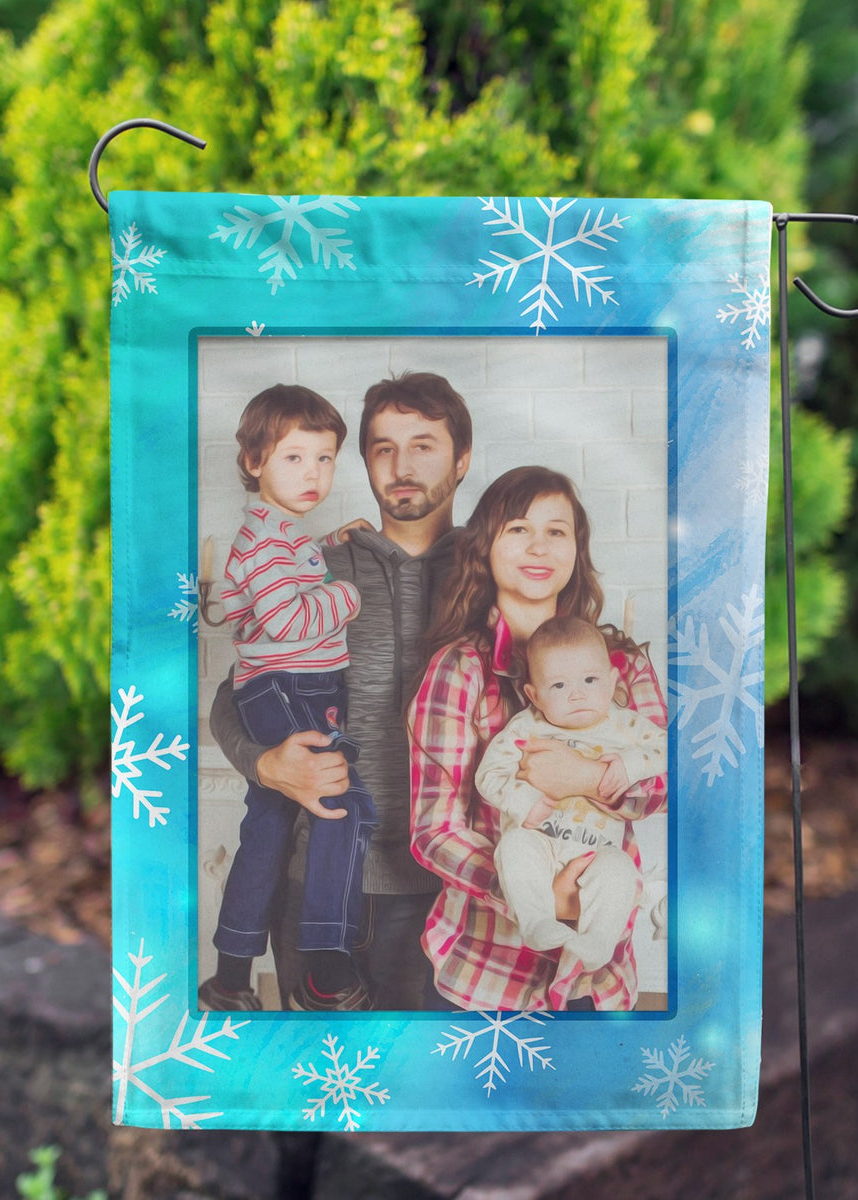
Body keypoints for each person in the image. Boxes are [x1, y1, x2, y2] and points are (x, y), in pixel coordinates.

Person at [205, 371, 472, 1010]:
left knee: (435, 1075)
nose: (402, 466)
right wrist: (266, 765)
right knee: (318, 1072)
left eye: (423, 445)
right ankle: (243, 974)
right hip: (314, 886)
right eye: (383, 448)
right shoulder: (320, 565)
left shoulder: (492, 569)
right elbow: (234, 696)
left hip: (455, 890)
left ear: (462, 460)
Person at [408, 466, 667, 1011]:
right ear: (486, 545)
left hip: (599, 978)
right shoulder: (460, 669)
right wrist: (537, 893)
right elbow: (435, 830)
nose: (539, 547)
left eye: (557, 531)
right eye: (519, 529)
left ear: (576, 549)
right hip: (487, 970)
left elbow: (666, 785)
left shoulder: (621, 664)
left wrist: (587, 777)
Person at [200, 383, 375, 1013]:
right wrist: (347, 594)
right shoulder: (268, 542)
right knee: (342, 805)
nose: (313, 473)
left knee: (268, 829)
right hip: (290, 686)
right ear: (254, 462)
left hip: (275, 687)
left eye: (324, 458)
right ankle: (326, 970)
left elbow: (281, 580)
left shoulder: (276, 536)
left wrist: (327, 549)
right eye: (294, 457)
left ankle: (230, 977)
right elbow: (287, 619)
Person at [475, 615, 666, 997]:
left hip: (597, 853)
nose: (576, 695)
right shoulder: (526, 728)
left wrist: (630, 765)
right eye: (559, 685)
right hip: (541, 844)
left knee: (620, 870)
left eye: (590, 680)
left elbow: (668, 749)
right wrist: (523, 801)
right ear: (534, 695)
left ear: (612, 681)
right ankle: (538, 923)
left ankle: (595, 944)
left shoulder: (625, 726)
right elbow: (488, 774)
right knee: (514, 848)